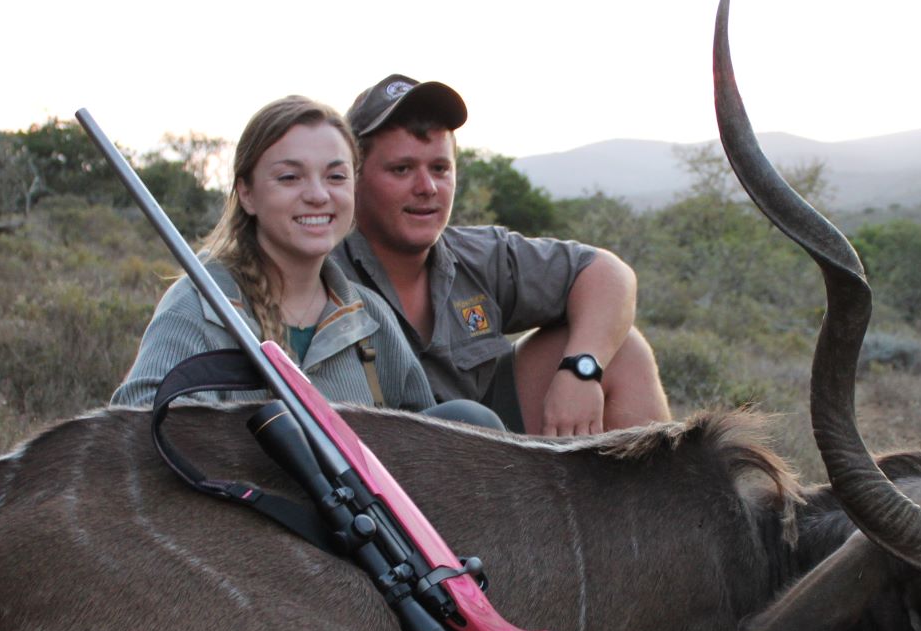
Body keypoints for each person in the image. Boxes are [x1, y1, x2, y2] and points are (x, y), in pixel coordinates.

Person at [339, 74, 671, 435]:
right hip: (379, 464)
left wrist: (581, 369)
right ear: (353, 176)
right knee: (468, 418)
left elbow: (607, 272)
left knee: (621, 349)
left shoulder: (481, 255)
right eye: (401, 169)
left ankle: (659, 492)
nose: (427, 188)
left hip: (492, 453)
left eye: (440, 168)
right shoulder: (319, 272)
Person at [113, 95, 447, 415]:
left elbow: (422, 446)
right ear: (247, 193)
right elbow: (137, 431)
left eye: (335, 177)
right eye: (290, 177)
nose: (318, 195)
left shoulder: (370, 317)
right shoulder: (200, 306)